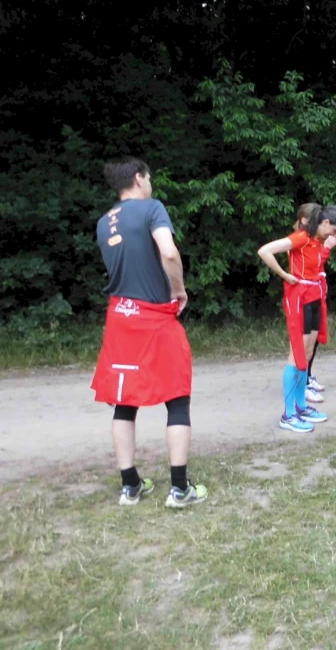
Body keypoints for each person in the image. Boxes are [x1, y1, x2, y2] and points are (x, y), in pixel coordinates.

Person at [91, 157, 207, 508]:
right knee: (177, 397)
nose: (151, 183)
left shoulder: (102, 222)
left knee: (125, 402)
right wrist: (179, 289)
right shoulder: (151, 208)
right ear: (139, 179)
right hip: (153, 317)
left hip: (119, 318)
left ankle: (131, 486)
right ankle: (179, 489)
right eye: (150, 177)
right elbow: (168, 252)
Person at [258, 205, 336, 432]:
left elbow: (314, 266)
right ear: (325, 223)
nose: (335, 236)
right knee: (296, 354)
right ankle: (288, 414)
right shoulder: (301, 237)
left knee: (307, 353)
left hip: (316, 297)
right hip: (299, 299)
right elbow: (265, 251)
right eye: (334, 231)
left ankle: (301, 405)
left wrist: (326, 249)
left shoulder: (318, 241)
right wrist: (285, 275)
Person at [292, 203, 336, 405]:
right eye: (318, 221)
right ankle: (301, 384)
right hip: (303, 296)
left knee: (314, 340)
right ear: (304, 220)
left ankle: (307, 377)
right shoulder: (300, 240)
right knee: (303, 345)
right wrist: (326, 249)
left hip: (316, 294)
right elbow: (313, 265)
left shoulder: (313, 239)